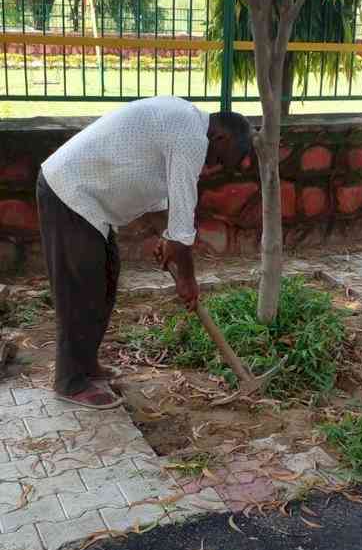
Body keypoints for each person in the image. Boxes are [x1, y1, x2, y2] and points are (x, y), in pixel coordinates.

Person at [37, 96, 253, 410]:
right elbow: (182, 225)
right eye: (220, 159)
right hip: (69, 192)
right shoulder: (191, 135)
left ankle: (85, 365)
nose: (213, 167)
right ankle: (70, 381)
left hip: (90, 202)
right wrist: (187, 280)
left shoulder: (183, 123)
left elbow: (163, 205)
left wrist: (161, 236)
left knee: (106, 280)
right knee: (81, 289)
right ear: (222, 137)